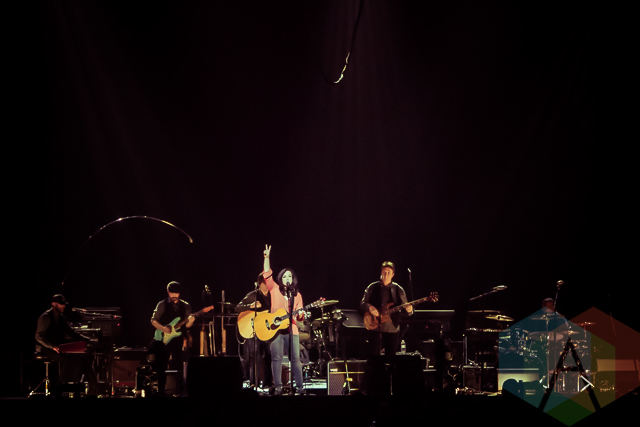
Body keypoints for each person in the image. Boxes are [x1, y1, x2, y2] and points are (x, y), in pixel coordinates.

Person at [262, 244, 306, 395]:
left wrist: (301, 314)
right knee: (276, 359)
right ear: (281, 278)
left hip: (292, 329)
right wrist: (267, 258)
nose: (287, 278)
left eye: (290, 276)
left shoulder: (297, 295)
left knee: (295, 359)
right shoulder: (274, 289)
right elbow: (267, 274)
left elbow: (299, 316)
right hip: (276, 330)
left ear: (293, 279)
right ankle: (278, 388)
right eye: (285, 276)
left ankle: (300, 388)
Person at [35, 294, 98, 396]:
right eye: (61, 304)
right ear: (54, 304)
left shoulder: (61, 317)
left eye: (64, 304)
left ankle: (77, 387)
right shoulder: (45, 317)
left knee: (79, 357)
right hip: (45, 347)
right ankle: (60, 388)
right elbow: (39, 337)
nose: (64, 306)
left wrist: (88, 340)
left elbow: (71, 333)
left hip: (58, 346)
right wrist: (52, 346)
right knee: (66, 360)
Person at [150, 281, 195, 395]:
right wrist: (163, 328)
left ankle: (179, 391)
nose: (174, 295)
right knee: (161, 365)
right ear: (168, 292)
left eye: (176, 293)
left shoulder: (186, 306)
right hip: (163, 338)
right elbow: (153, 320)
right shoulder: (162, 304)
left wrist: (191, 321)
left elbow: (187, 325)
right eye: (172, 293)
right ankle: (161, 391)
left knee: (179, 364)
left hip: (178, 338)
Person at [360, 261, 414, 357]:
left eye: (389, 272)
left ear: (393, 275)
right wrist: (370, 307)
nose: (386, 274)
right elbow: (362, 303)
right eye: (384, 272)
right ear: (381, 272)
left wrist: (409, 310)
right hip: (375, 327)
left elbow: (406, 310)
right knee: (373, 357)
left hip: (392, 328)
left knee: (390, 357)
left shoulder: (398, 289)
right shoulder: (372, 287)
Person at [235, 272, 273, 391]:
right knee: (255, 357)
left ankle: (267, 384)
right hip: (255, 330)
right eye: (264, 283)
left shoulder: (273, 295)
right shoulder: (253, 295)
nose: (266, 286)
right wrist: (250, 306)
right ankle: (253, 383)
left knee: (268, 356)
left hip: (268, 330)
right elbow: (237, 307)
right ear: (259, 284)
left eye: (268, 283)